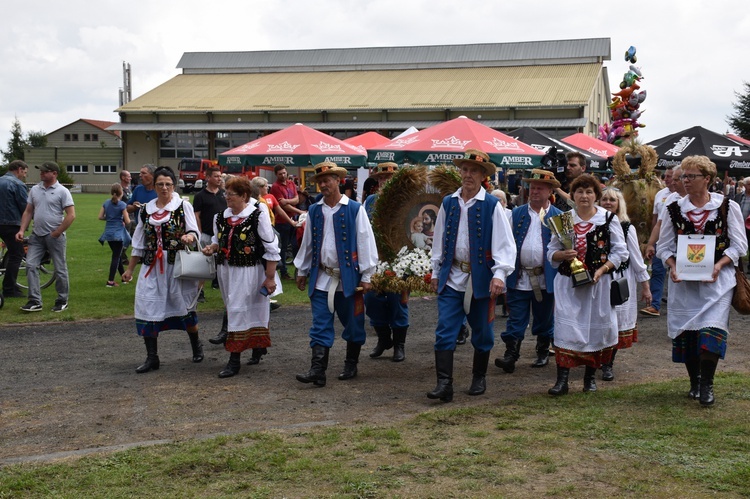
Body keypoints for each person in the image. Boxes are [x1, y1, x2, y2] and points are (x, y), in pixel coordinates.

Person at [657, 156, 748, 406]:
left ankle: (707, 385)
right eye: (683, 176)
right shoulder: (673, 208)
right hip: (684, 284)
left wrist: (719, 265)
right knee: (688, 334)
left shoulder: (727, 206)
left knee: (712, 330)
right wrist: (673, 266)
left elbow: (739, 245)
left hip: (717, 283)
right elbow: (663, 247)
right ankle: (694, 381)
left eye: (691, 176)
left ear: (707, 179)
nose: (685, 181)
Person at [428, 149, 516, 402]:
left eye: (473, 171)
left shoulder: (491, 206)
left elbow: (505, 245)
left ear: (482, 176)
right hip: (452, 276)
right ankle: (444, 385)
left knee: (483, 332)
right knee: (445, 330)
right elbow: (440, 240)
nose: (468, 175)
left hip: (481, 280)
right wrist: (436, 271)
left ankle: (479, 377)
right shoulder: (448, 202)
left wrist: (499, 275)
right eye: (465, 169)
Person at [294, 161, 379, 387]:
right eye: (320, 181)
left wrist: (367, 275)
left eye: (327, 180)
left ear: (338, 181)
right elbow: (308, 244)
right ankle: (318, 370)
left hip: (349, 279)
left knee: (353, 323)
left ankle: (351, 363)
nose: (323, 184)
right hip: (322, 277)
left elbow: (365, 242)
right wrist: (302, 270)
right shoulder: (314, 210)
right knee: (320, 323)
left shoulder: (354, 209)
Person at [547, 174, 628, 395]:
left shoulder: (608, 219)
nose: (584, 196)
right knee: (566, 328)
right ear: (572, 195)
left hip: (598, 285)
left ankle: (590, 378)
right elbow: (550, 253)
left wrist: (602, 270)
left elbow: (621, 252)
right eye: (580, 191)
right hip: (567, 283)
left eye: (589, 192)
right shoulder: (564, 219)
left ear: (596, 196)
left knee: (595, 329)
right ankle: (562, 380)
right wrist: (561, 254)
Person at [122, 166, 205, 373]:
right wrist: (130, 269)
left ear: (173, 185)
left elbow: (194, 230)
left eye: (168, 184)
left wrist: (189, 236)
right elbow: (139, 242)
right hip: (152, 266)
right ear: (154, 186)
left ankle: (196, 345)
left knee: (185, 307)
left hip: (177, 266)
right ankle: (152, 357)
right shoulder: (145, 210)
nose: (164, 188)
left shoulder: (182, 206)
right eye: (160, 184)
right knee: (148, 306)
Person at [201, 176, 280, 377]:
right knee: (233, 307)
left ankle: (234, 359)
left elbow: (272, 248)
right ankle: (256, 347)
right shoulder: (220, 217)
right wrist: (212, 247)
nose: (226, 197)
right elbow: (218, 240)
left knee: (238, 309)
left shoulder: (256, 215)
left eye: (231, 194)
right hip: (226, 270)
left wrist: (270, 278)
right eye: (225, 193)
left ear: (244, 195)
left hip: (249, 270)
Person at [494, 169, 562, 374]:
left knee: (544, 317)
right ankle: (510, 355)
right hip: (520, 276)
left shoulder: (559, 216)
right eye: (532, 187)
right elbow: (505, 242)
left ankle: (542, 351)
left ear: (550, 190)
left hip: (545, 277)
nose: (534, 191)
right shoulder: (516, 213)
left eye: (539, 188)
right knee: (516, 317)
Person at [598, 187, 651, 381]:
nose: (608, 203)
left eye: (612, 199)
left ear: (619, 204)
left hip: (619, 279)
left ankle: (607, 364)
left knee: (616, 322)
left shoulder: (627, 227)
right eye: (604, 199)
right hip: (597, 279)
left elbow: (636, 259)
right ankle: (596, 359)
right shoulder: (593, 224)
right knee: (598, 320)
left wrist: (645, 286)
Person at [363, 162, 410, 362]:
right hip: (374, 259)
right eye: (381, 178)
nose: (384, 182)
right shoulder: (370, 201)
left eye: (388, 179)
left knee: (397, 301)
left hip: (399, 259)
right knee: (371, 299)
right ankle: (384, 339)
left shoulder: (406, 202)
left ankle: (399, 345)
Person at [16, 161, 76, 313]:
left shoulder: (62, 191)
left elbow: (71, 215)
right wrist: (22, 230)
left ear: (54, 173)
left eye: (45, 171)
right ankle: (35, 300)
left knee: (60, 269)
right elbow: (28, 211)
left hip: (55, 237)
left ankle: (62, 300)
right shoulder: (35, 190)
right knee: (30, 265)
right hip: (37, 235)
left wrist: (57, 232)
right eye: (41, 171)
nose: (41, 173)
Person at [642, 167, 675, 317]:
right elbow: (656, 220)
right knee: (657, 271)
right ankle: (655, 305)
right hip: (661, 239)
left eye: (670, 176)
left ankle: (677, 306)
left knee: (678, 272)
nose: (667, 179)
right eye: (665, 176)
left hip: (679, 241)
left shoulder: (685, 196)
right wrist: (651, 241)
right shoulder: (661, 195)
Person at [193, 167, 227, 302]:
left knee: (223, 263)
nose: (219, 179)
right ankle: (200, 291)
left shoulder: (224, 194)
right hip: (207, 234)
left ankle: (221, 286)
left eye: (220, 176)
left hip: (222, 235)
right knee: (204, 264)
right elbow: (197, 215)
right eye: (216, 176)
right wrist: (200, 232)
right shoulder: (200, 196)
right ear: (208, 178)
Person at [270, 164, 305, 279]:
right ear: (276, 174)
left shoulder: (291, 183)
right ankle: (283, 271)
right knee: (283, 247)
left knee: (296, 244)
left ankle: (298, 269)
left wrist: (287, 201)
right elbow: (282, 207)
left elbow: (296, 199)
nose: (283, 175)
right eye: (280, 174)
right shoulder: (275, 187)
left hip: (294, 218)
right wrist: (299, 211)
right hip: (282, 220)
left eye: (284, 173)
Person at [0, 160, 29, 298]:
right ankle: (9, 289)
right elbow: (26, 207)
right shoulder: (18, 185)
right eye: (24, 172)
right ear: (19, 169)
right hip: (11, 223)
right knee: (16, 254)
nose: (24, 176)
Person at [98, 183, 132, 287]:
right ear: (121, 193)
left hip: (108, 233)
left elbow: (100, 217)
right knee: (116, 257)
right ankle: (110, 281)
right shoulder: (122, 204)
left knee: (117, 256)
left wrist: (109, 218)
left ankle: (123, 277)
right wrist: (121, 220)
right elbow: (127, 221)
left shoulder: (106, 203)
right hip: (118, 234)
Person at [127, 164, 157, 233]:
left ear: (153, 175)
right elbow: (127, 208)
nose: (140, 175)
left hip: (156, 230)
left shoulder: (159, 191)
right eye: (140, 173)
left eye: (143, 173)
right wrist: (134, 207)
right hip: (140, 230)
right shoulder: (138, 189)